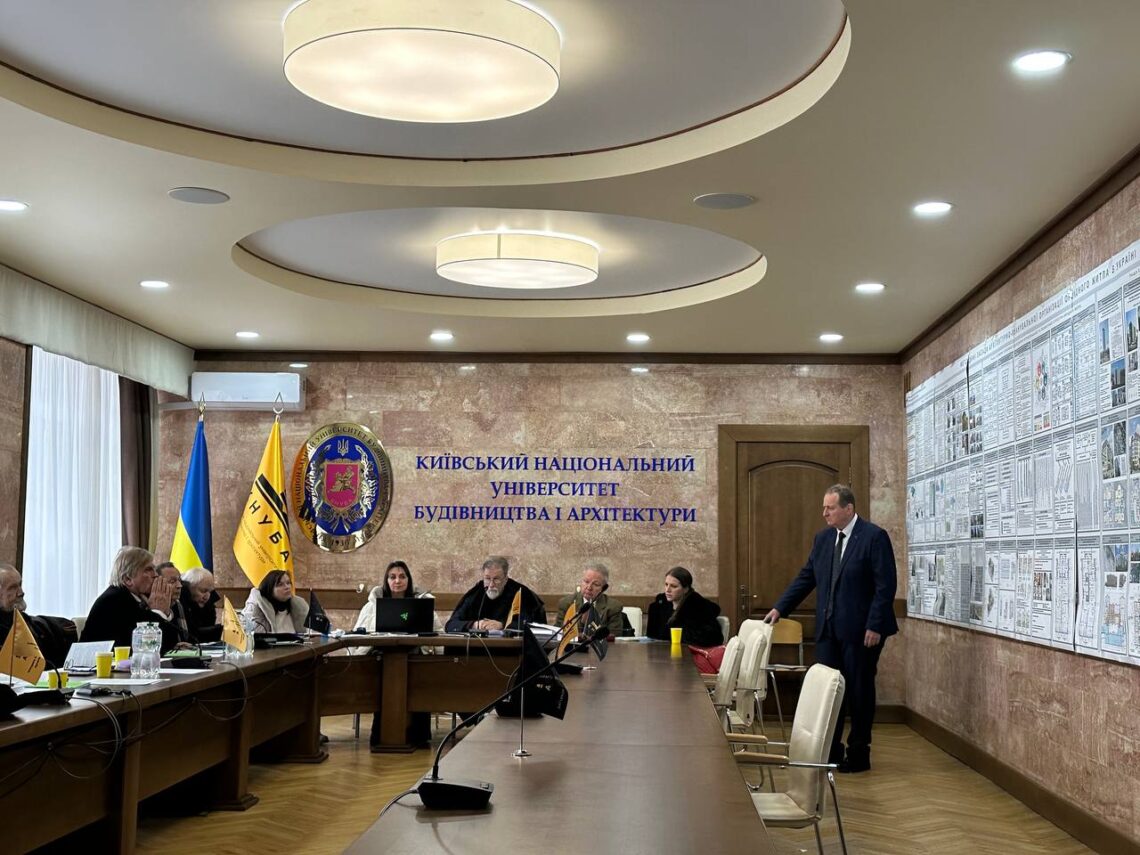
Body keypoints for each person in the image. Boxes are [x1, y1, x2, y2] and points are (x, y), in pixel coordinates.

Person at [766, 484, 898, 774]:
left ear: (848, 509)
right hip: (828, 630)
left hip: (862, 632)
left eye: (830, 507)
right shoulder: (824, 538)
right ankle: (831, 749)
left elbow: (885, 586)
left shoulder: (873, 537)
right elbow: (806, 577)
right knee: (829, 690)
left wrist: (875, 624)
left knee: (859, 691)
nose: (824, 513)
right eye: (824, 507)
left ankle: (859, 753)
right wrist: (780, 608)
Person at [352, 560, 440, 748]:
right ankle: (383, 735)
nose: (397, 581)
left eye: (402, 576)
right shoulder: (371, 605)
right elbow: (358, 633)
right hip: (382, 657)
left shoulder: (422, 602)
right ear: (386, 580)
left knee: (418, 673)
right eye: (392, 577)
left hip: (415, 657)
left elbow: (437, 632)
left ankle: (418, 736)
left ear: (408, 580)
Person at [81, 546, 181, 652]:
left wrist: (163, 612)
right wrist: (158, 612)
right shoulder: (115, 600)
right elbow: (145, 647)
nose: (155, 575)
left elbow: (168, 643)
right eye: (148, 570)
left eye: (154, 569)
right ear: (128, 579)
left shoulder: (138, 599)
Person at [446, 556, 545, 632]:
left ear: (505, 579)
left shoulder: (521, 594)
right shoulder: (476, 593)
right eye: (487, 579)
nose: (491, 585)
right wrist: (474, 624)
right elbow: (451, 625)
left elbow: (534, 626)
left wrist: (503, 625)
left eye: (496, 579)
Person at [646, 566, 723, 646]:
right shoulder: (659, 605)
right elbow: (653, 637)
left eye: (673, 586)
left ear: (686, 589)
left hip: (688, 651)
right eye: (666, 584)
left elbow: (714, 638)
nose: (667, 590)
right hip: (663, 651)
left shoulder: (698, 607)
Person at [554, 561, 624, 639]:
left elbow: (614, 636)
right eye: (586, 582)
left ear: (604, 588)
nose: (589, 587)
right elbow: (558, 632)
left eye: (596, 584)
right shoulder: (566, 603)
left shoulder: (613, 607)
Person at [241, 570, 309, 634]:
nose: (287, 587)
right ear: (269, 589)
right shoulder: (256, 608)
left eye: (288, 583)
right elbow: (248, 633)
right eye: (280, 584)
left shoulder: (299, 607)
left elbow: (310, 633)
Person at [179, 567, 222, 643]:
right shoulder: (179, 605)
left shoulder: (209, 606)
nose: (207, 597)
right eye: (203, 591)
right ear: (189, 587)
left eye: (210, 592)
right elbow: (191, 635)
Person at [156, 561, 192, 645]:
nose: (179, 586)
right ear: (157, 584)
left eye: (179, 580)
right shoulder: (153, 608)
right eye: (172, 582)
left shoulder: (180, 605)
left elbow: (191, 637)